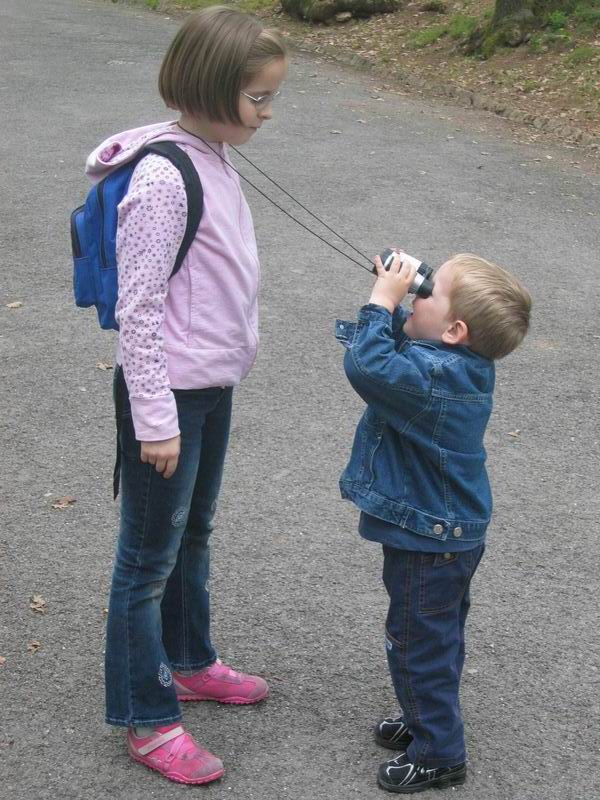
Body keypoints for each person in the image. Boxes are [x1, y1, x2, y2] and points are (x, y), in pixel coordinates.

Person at [84, 7, 287, 785]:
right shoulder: (166, 177)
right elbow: (139, 310)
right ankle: (147, 717)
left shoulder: (214, 154)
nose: (267, 113)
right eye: (258, 98)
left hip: (208, 386)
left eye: (270, 98)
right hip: (167, 398)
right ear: (209, 87)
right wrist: (155, 419)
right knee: (146, 559)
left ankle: (190, 660)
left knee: (192, 532)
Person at [336, 251, 531, 793]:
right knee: (434, 637)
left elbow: (368, 366)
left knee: (418, 643)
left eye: (428, 292)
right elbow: (406, 345)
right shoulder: (452, 362)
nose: (414, 294)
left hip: (430, 542)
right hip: (445, 536)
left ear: (455, 331)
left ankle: (440, 752)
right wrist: (399, 299)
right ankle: (423, 717)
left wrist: (381, 304)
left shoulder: (434, 378)